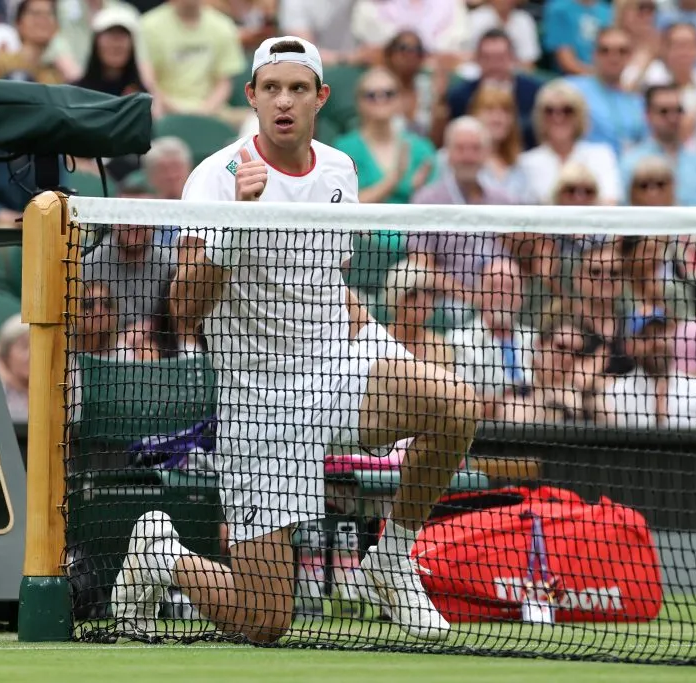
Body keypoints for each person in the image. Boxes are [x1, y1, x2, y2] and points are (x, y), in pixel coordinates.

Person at [112, 36, 482, 644]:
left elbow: (325, 271)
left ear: (320, 97)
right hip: (259, 398)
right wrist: (238, 222)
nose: (285, 101)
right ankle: (162, 554)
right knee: (265, 621)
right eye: (273, 89)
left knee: (456, 405)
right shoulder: (214, 180)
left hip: (339, 359)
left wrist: (363, 324)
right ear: (252, 96)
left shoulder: (339, 169)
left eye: (299, 89)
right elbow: (184, 313)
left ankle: (390, 565)